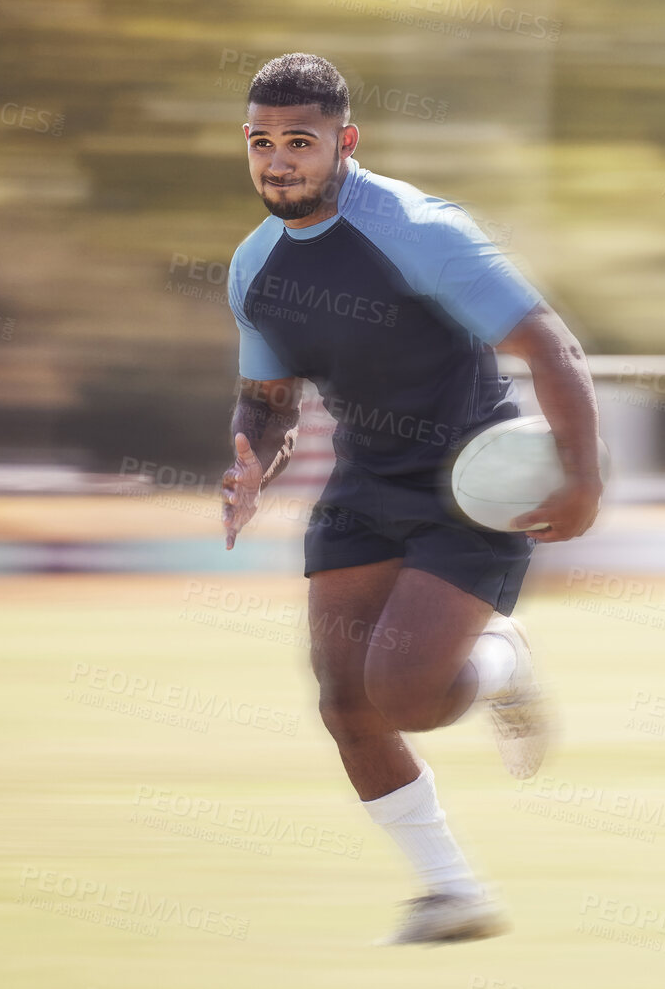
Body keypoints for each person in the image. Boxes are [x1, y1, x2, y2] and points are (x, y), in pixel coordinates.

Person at [218, 53, 602, 941]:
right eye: (262, 143)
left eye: (301, 143)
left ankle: (504, 660)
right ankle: (451, 892)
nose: (279, 161)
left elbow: (554, 349)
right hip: (365, 482)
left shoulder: (420, 228)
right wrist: (249, 459)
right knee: (343, 700)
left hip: (473, 482)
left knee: (409, 695)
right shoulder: (253, 267)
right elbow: (267, 400)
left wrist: (584, 477)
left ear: (344, 143)